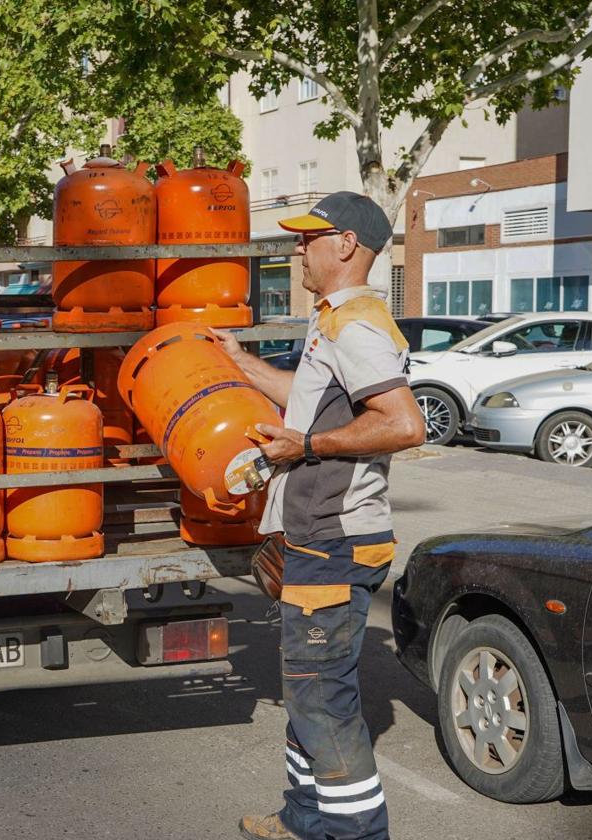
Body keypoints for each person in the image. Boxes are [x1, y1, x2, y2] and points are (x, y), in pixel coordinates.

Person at [220, 192, 426, 840]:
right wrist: (241, 363)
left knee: (325, 705)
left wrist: (305, 447)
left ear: (345, 245)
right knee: (306, 694)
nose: (296, 251)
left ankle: (358, 834)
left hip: (334, 543)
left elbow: (403, 423)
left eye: (307, 239)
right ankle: (304, 818)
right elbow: (309, 401)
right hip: (321, 540)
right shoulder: (335, 319)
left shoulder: (356, 326)